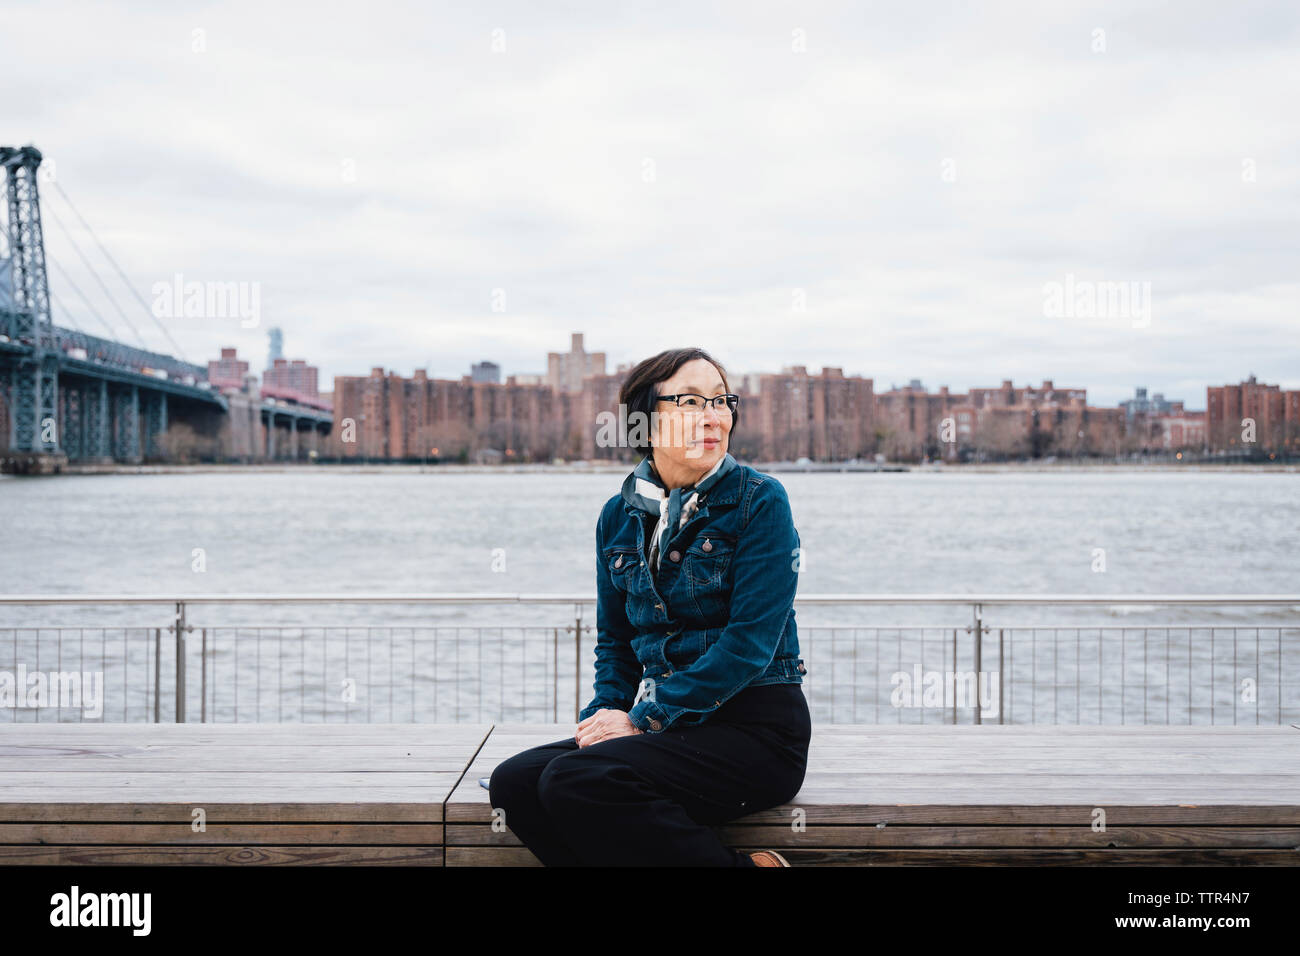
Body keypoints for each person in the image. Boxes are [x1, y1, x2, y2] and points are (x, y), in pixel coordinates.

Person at [488, 347, 810, 866]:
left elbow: (749, 644)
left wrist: (642, 720)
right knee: (516, 783)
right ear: (645, 421)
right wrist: (603, 716)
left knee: (577, 780)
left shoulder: (760, 502)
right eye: (691, 401)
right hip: (672, 732)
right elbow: (615, 643)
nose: (714, 416)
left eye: (722, 400)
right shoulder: (618, 516)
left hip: (757, 733)